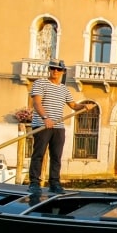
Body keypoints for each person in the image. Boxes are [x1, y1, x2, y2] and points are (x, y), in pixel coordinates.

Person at [28, 60, 94, 195]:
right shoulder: (40, 83)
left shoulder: (64, 89)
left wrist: (84, 106)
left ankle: (54, 183)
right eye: (52, 68)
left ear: (63, 72)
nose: (55, 71)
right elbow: (37, 103)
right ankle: (34, 183)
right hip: (42, 125)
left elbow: (74, 106)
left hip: (58, 126)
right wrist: (45, 118)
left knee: (56, 156)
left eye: (58, 69)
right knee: (38, 154)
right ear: (49, 69)